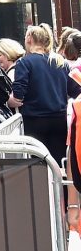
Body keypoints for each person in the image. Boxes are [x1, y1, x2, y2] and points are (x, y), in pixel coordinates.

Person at [9, 25, 80, 165]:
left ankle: (43, 188)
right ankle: (61, 187)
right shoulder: (60, 62)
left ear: (29, 39)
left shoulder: (25, 62)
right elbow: (75, 91)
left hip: (34, 119)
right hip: (58, 118)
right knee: (59, 161)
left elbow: (18, 95)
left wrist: (10, 101)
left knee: (38, 163)